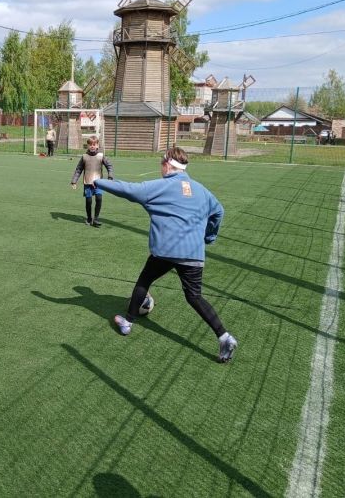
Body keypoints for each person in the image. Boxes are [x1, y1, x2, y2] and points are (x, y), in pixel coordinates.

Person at [94, 146, 237, 363]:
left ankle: (128, 322)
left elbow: (128, 189)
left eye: (161, 164)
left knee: (145, 280)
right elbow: (219, 211)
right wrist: (209, 236)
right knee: (194, 297)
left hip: (165, 252)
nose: (160, 168)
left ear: (168, 164)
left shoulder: (159, 187)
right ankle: (224, 336)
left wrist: (98, 181)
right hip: (192, 253)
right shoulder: (201, 190)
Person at [71, 136, 114, 227]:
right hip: (88, 183)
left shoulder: (101, 156)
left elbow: (109, 166)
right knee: (89, 201)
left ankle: (96, 218)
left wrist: (110, 175)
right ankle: (89, 218)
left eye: (94, 144)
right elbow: (78, 169)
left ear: (97, 145)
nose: (92, 146)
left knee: (99, 198)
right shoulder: (84, 157)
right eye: (90, 144)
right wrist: (74, 181)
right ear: (87, 145)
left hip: (98, 183)